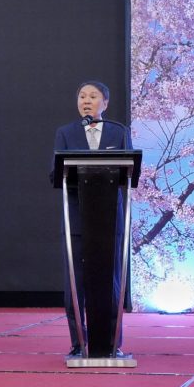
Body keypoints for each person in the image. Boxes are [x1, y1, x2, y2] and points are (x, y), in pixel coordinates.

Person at [51, 81, 132, 358]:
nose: (86, 101)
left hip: (110, 220)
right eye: (82, 96)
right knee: (75, 284)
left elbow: (129, 172)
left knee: (112, 284)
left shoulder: (119, 132)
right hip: (77, 218)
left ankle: (112, 345)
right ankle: (79, 344)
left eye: (93, 96)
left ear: (105, 103)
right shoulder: (65, 133)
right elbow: (55, 173)